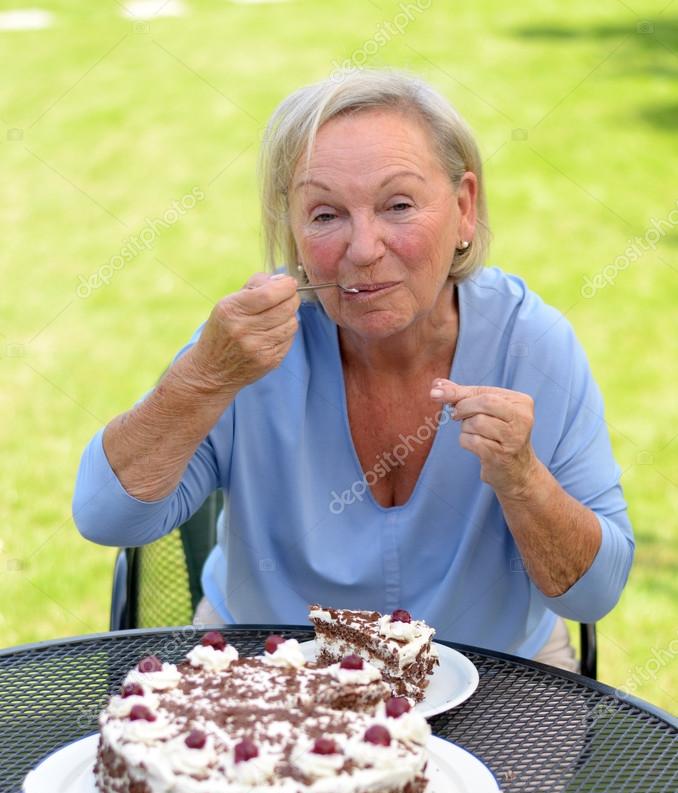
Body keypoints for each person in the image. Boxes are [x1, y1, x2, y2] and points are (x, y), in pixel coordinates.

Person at [73, 68, 634, 674]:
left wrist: (523, 481)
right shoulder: (247, 350)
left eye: (398, 205)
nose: (363, 248)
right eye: (325, 214)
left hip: (498, 676)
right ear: (291, 226)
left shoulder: (532, 345)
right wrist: (202, 379)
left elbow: (593, 593)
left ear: (464, 208)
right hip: (268, 670)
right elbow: (107, 516)